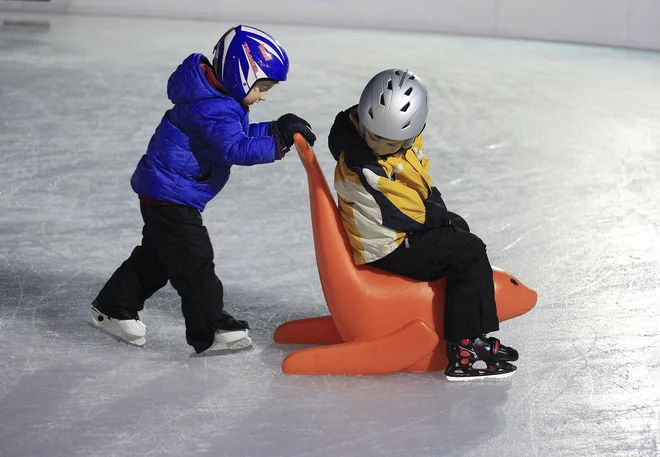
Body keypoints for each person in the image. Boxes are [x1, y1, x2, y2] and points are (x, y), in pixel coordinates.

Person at [91, 25, 316, 354]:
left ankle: (112, 307)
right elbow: (234, 148)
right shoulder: (214, 106)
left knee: (158, 258)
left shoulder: (214, 98)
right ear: (241, 74)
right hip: (172, 196)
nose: (264, 96)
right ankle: (209, 330)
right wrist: (279, 143)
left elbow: (232, 133)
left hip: (166, 190)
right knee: (195, 263)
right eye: (262, 87)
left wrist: (275, 127)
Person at [328, 68, 518, 380]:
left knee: (458, 229)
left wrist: (435, 201)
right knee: (469, 250)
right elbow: (402, 214)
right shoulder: (365, 165)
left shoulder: (393, 137)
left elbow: (416, 168)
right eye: (373, 136)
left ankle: (446, 316)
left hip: (389, 232)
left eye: (391, 143)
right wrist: (435, 212)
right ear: (363, 119)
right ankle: (467, 346)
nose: (379, 145)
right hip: (389, 244)